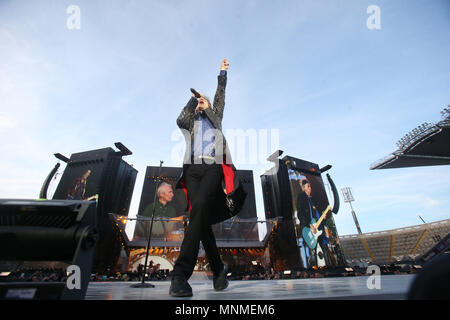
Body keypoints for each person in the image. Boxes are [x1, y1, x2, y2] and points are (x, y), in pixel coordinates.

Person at [170, 58, 239, 297]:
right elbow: (180, 120)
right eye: (200, 101)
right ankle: (219, 270)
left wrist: (222, 73)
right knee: (201, 219)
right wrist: (192, 102)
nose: (201, 102)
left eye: (203, 100)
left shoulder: (215, 114)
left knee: (198, 207)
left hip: (212, 167)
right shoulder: (192, 120)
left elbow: (220, 97)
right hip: (192, 170)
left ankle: (179, 275)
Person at [296, 177, 332, 268]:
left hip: (318, 226)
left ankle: (327, 266)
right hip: (309, 228)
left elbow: (317, 213)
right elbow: (300, 214)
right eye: (308, 187)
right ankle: (313, 267)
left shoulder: (314, 199)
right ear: (304, 188)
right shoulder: (301, 197)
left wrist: (323, 217)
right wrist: (309, 224)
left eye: (310, 186)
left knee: (324, 246)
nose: (310, 188)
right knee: (313, 250)